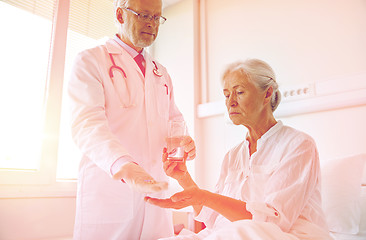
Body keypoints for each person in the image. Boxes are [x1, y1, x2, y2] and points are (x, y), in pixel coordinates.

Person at [145, 59, 333, 240]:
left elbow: (272, 222)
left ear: (267, 94)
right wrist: (184, 178)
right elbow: (213, 219)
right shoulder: (233, 156)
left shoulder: (298, 145)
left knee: (239, 232)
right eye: (227, 95)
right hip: (229, 233)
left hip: (280, 235)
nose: (230, 102)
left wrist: (204, 196)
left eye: (240, 92)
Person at [68, 0, 196, 239]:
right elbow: (86, 124)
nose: (151, 24)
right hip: (111, 192)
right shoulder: (91, 60)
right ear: (120, 15)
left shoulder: (161, 72)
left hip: (156, 191)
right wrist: (124, 165)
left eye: (157, 18)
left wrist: (183, 142)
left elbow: (173, 120)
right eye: (143, 15)